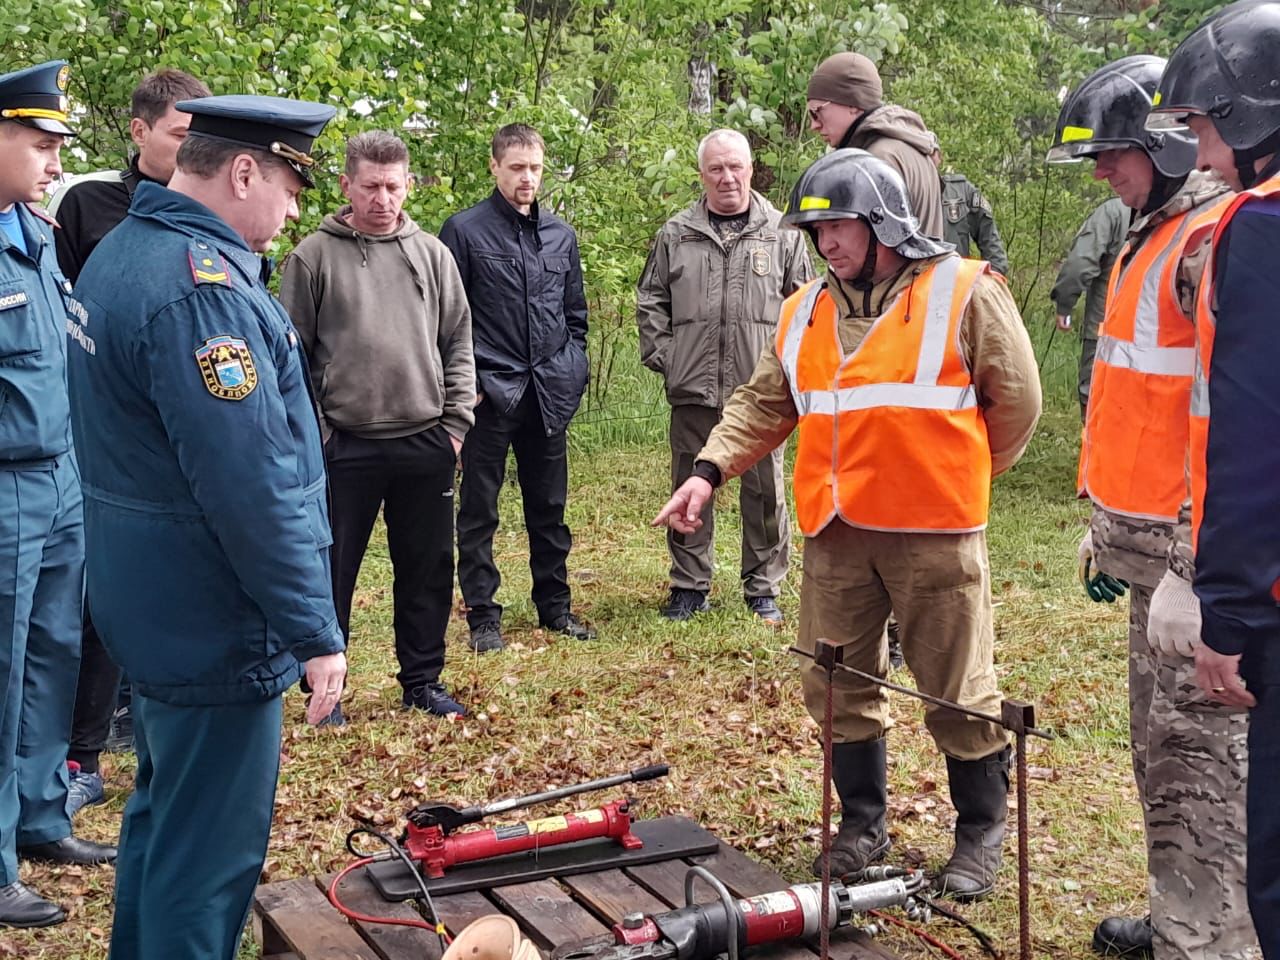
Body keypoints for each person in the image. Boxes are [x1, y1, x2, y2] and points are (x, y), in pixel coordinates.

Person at [654, 149, 1041, 901]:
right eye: (815, 231)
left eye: (839, 228)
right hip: (834, 532)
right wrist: (707, 471)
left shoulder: (965, 291)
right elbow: (767, 402)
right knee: (834, 681)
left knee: (958, 684)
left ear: (884, 221)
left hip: (934, 531)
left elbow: (1017, 402)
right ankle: (862, 825)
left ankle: (979, 832)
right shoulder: (806, 309)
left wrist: (960, 474)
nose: (825, 244)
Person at [66, 94, 347, 959]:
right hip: (210, 615)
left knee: (162, 820)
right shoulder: (201, 294)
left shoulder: (122, 252)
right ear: (244, 170)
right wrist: (313, 630)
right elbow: (251, 487)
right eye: (293, 184)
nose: (296, 208)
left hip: (149, 600)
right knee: (209, 861)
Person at [1048, 56, 1255, 959]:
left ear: (1169, 145)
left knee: (1210, 767)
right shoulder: (1152, 230)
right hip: (1148, 549)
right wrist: (1111, 528)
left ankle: (1215, 938)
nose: (1102, 172)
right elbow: (1142, 403)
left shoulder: (1211, 240)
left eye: (1115, 153)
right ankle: (1183, 911)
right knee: (1163, 758)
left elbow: (1230, 421)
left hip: (1200, 566)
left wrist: (1187, 566)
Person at [1148, 2, 1280, 951]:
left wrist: (1228, 618)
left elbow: (1253, 435)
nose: (1199, 153)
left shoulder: (1261, 231)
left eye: (1201, 127)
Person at [49, 67, 211, 816]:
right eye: (179, 133)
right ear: (140, 131)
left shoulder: (206, 211)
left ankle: (128, 714)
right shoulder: (89, 206)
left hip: (184, 424)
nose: (188, 147)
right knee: (87, 589)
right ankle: (77, 745)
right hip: (99, 425)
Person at [280, 130, 474, 719]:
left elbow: (459, 339)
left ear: (408, 185)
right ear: (346, 186)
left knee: (429, 566)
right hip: (345, 443)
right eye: (371, 186)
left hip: (425, 438)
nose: (383, 198)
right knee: (331, 571)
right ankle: (326, 689)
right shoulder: (312, 257)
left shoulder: (433, 254)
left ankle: (422, 681)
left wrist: (456, 423)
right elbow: (290, 356)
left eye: (393, 186)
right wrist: (319, 435)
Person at [0, 58, 119, 931]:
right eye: (39, 144)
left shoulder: (36, 233)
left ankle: (42, 816)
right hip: (4, 489)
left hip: (63, 480)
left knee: (53, 658)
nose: (54, 162)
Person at [636, 129, 812, 623]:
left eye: (735, 166)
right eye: (716, 168)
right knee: (690, 484)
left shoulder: (784, 233)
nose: (727, 177)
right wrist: (668, 356)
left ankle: (763, 587)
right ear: (702, 174)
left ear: (751, 169)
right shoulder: (676, 234)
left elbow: (807, 307)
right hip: (693, 387)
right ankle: (689, 584)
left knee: (765, 492)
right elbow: (650, 300)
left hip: (759, 394)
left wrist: (788, 372)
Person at [440, 123, 594, 653]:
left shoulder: (561, 236)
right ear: (495, 167)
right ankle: (483, 615)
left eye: (534, 168)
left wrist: (572, 369)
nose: (527, 178)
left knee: (549, 506)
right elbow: (446, 319)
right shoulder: (463, 232)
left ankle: (555, 606)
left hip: (548, 389)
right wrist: (467, 385)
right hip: (489, 392)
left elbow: (576, 316)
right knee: (479, 510)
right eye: (516, 168)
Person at [805, 52, 943, 236]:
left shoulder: (877, 160)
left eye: (816, 112)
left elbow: (881, 247)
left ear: (853, 103)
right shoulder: (909, 147)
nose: (813, 125)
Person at [1050, 197, 1129, 418]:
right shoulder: (1183, 211)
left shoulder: (1112, 212)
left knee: (1096, 404)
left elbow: (1080, 264)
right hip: (1159, 341)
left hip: (1105, 332)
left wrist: (1064, 306)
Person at [931, 143, 1009, 276]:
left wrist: (992, 280)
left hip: (957, 285)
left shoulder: (962, 191)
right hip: (917, 288)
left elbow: (991, 243)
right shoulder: (903, 194)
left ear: (939, 156)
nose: (927, 158)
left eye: (931, 152)